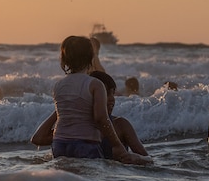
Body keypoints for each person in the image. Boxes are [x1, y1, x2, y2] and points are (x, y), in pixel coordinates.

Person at [47, 35, 149, 165]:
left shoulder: (58, 85)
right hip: (85, 143)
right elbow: (100, 118)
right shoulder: (95, 84)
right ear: (91, 57)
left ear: (64, 59)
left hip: (59, 144)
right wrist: (117, 145)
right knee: (91, 180)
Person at [91, 71, 149, 157]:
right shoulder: (79, 127)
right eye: (106, 93)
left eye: (113, 93)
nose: (112, 99)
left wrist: (133, 159)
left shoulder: (120, 125)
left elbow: (148, 161)